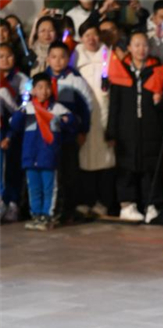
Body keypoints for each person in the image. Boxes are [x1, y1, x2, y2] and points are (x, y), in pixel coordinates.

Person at [107, 30, 163, 223]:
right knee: (126, 166)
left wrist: (160, 100)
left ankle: (151, 204)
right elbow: (114, 104)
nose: (141, 49)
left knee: (149, 166)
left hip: (150, 128)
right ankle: (127, 204)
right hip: (127, 128)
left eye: (144, 45)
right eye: (137, 45)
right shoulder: (120, 71)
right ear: (129, 48)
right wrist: (111, 130)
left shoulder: (157, 69)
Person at [6, 72, 75, 230]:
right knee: (34, 188)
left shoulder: (57, 108)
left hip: (48, 156)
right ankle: (36, 214)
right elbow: (14, 124)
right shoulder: (28, 109)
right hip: (31, 156)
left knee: (49, 187)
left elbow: (71, 123)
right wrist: (22, 110)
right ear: (33, 90)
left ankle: (48, 215)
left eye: (47, 87)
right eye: (40, 87)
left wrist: (65, 120)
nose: (44, 91)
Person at [45, 41, 93, 221]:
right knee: (51, 174)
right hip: (48, 138)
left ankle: (69, 210)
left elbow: (86, 107)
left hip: (69, 138)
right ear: (48, 58)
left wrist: (83, 131)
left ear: (69, 59)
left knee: (69, 174)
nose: (58, 61)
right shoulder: (41, 80)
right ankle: (50, 209)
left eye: (62, 57)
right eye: (54, 57)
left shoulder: (76, 80)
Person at [73, 21, 116, 218]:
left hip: (104, 114)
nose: (91, 39)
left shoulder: (108, 56)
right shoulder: (75, 57)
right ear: (81, 38)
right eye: (86, 35)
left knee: (105, 160)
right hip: (84, 115)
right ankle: (84, 200)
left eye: (94, 34)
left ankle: (103, 202)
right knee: (84, 159)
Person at [0, 42, 28, 223]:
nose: (5, 60)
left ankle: (13, 203)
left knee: (11, 168)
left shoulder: (21, 78)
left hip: (14, 129)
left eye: (8, 55)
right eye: (1, 56)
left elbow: (23, 106)